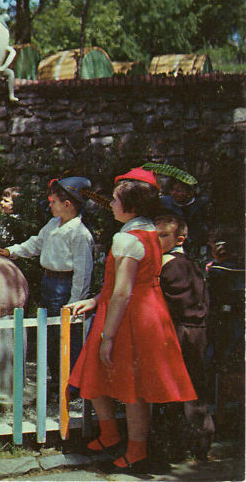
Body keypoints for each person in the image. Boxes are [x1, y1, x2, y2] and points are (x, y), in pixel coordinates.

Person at [66, 168, 197, 474]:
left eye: (114, 200)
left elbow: (124, 292)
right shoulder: (146, 231)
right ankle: (111, 434)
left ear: (131, 206)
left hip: (130, 317)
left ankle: (136, 450)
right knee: (96, 374)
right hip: (133, 310)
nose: (109, 204)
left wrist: (107, 337)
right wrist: (97, 299)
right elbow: (118, 283)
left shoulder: (128, 240)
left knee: (134, 387)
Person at [0, 177, 94, 383]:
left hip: (65, 286)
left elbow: (83, 272)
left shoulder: (80, 233)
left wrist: (74, 302)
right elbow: (36, 244)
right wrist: (11, 251)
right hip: (49, 283)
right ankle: (57, 379)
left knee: (66, 334)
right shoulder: (54, 223)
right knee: (51, 335)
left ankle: (70, 383)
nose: (49, 204)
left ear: (67, 204)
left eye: (53, 201)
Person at [151, 214, 214, 460]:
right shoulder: (190, 264)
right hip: (195, 331)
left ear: (180, 238)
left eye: (163, 236)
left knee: (175, 388)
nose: (157, 240)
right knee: (193, 387)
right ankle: (197, 444)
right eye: (155, 236)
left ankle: (175, 446)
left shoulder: (170, 264)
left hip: (180, 331)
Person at [205, 224, 244, 426]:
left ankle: (221, 417)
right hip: (236, 323)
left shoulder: (217, 271)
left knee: (222, 367)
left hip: (225, 325)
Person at [159, 179, 211, 261]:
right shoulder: (165, 203)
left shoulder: (201, 205)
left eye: (178, 191)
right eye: (172, 190)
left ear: (190, 193)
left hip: (194, 244)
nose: (173, 193)